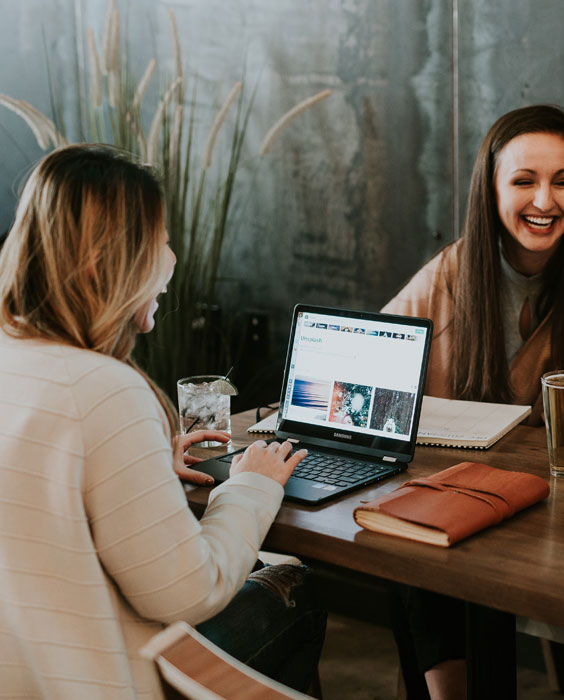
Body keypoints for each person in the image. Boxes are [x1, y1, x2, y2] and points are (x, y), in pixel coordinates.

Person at [0, 144, 325, 698]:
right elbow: (187, 593)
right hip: (93, 680)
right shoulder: (104, 389)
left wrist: (144, 462)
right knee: (296, 584)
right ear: (110, 260)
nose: (172, 258)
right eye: (161, 240)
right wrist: (250, 487)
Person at [382, 104, 564, 700]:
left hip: (562, 526)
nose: (546, 200)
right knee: (407, 539)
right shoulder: (455, 270)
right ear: (491, 189)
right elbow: (382, 360)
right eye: (524, 181)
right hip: (457, 504)